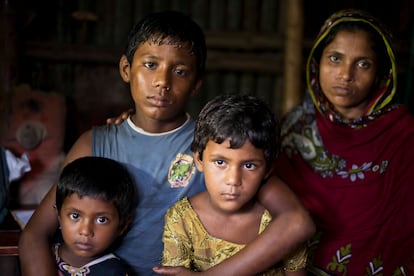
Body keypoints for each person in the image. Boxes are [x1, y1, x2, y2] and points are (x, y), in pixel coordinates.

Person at [19, 10, 314, 276]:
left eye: (180, 71)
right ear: (126, 69)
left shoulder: (215, 147)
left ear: (197, 82)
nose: (162, 81)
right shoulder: (96, 145)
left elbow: (296, 222)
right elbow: (35, 234)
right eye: (150, 64)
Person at [273, 9, 414, 275]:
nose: (346, 74)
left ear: (381, 73)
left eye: (363, 64)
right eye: (335, 58)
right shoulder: (293, 128)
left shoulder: (401, 133)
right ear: (317, 62)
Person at [154, 94, 307, 275]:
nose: (233, 180)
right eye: (220, 162)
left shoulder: (278, 222)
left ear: (267, 170)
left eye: (249, 165)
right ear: (199, 159)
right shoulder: (182, 219)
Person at [54, 156, 136, 275]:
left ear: (122, 225)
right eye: (75, 216)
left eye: (101, 220)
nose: (86, 231)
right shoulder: (42, 252)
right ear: (59, 216)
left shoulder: (115, 272)